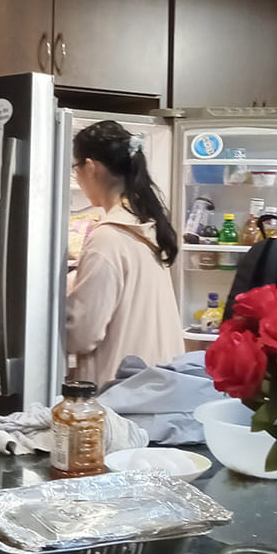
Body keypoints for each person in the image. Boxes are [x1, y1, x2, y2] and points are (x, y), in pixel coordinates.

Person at [67, 120, 183, 385]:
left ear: (91, 167)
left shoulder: (107, 238)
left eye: (76, 168)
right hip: (155, 384)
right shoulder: (148, 226)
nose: (77, 176)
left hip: (119, 391)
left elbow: (82, 333)